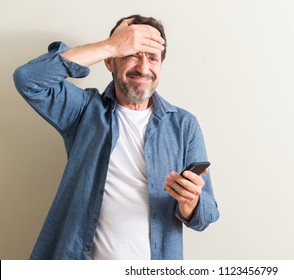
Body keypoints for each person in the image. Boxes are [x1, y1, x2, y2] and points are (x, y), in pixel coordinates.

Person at [13, 14, 219, 260]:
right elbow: (28, 79)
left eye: (152, 58)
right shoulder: (83, 111)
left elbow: (206, 216)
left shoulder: (184, 125)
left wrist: (190, 202)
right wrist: (110, 45)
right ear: (110, 62)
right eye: (132, 53)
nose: (143, 68)